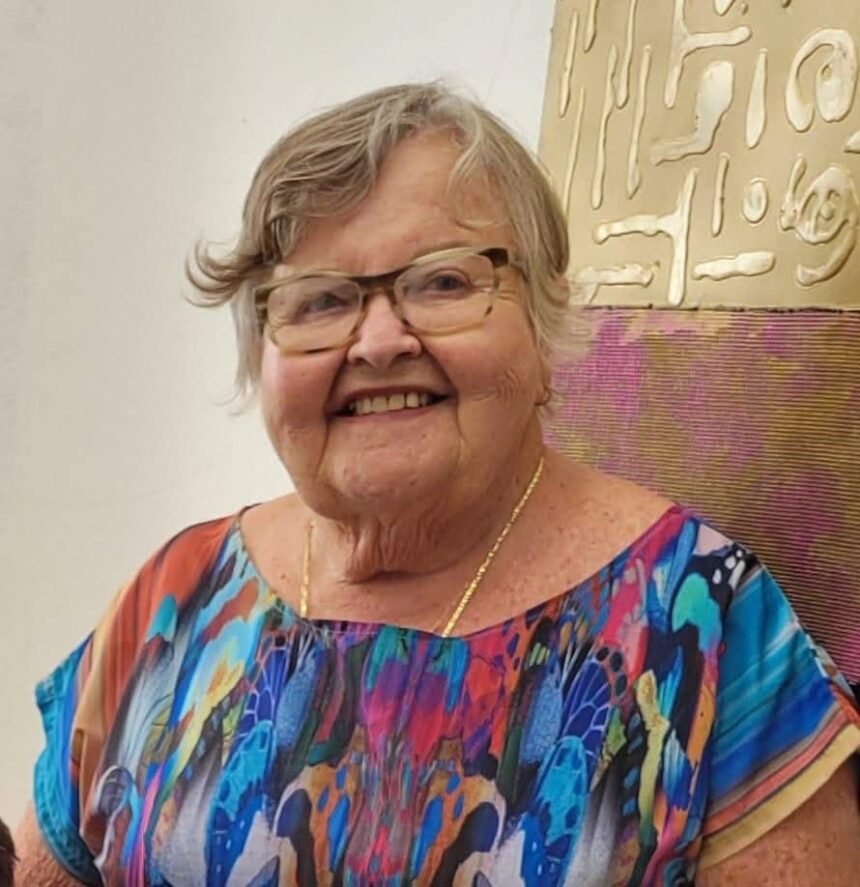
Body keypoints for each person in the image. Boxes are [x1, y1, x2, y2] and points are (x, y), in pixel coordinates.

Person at [14, 83, 860, 886]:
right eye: (320, 301)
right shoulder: (170, 602)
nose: (379, 341)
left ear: (545, 325)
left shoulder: (704, 623)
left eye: (444, 281)